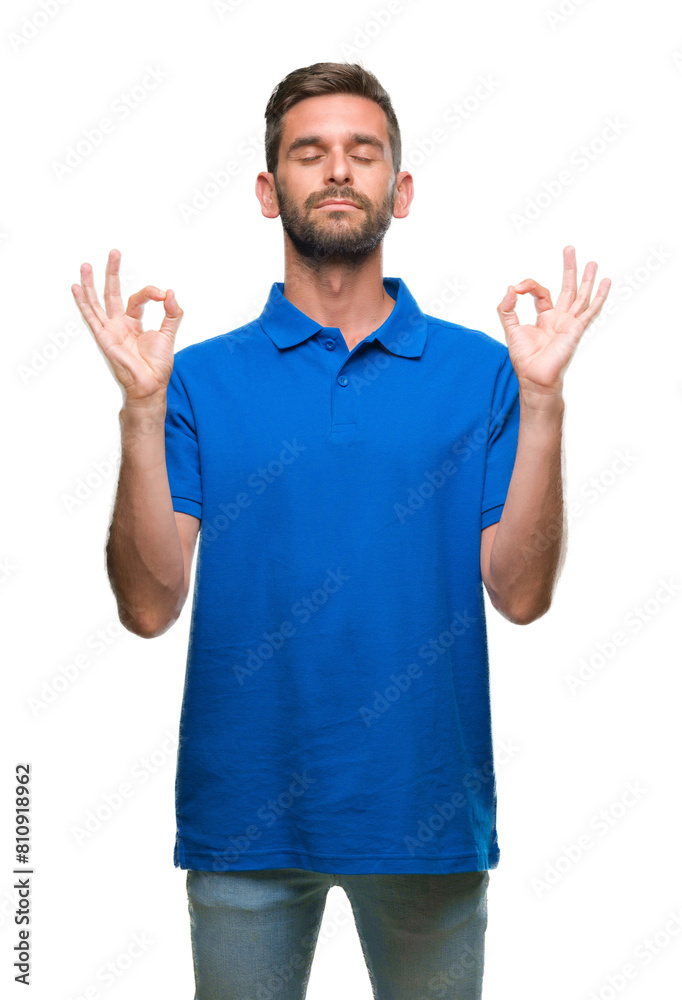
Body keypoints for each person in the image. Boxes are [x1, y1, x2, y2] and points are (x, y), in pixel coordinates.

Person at [71, 61, 610, 1000]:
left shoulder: (483, 371)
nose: (336, 171)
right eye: (308, 152)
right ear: (267, 187)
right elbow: (150, 606)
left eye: (362, 153)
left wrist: (545, 400)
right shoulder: (196, 378)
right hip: (244, 821)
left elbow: (521, 596)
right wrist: (140, 412)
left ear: (399, 190)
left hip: (424, 821)